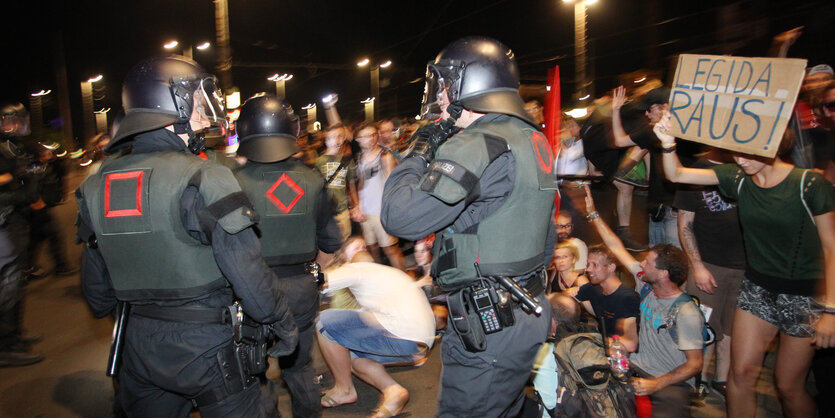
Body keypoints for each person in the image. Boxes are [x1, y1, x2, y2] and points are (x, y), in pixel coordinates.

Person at [75, 55, 298, 417]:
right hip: (207, 346)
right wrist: (281, 321)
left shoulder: (93, 186)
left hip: (137, 345)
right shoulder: (203, 176)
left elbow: (97, 295)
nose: (204, 110)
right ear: (172, 104)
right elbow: (246, 270)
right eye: (197, 99)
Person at [381, 36, 556, 417]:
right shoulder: (531, 138)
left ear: (469, 84)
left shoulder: (478, 142)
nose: (439, 96)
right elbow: (544, 233)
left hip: (489, 323)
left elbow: (400, 217)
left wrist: (418, 151)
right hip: (525, 311)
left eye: (444, 84)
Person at [655, 116, 835, 417]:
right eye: (736, 152)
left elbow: (832, 248)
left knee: (788, 386)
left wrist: (830, 309)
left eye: (749, 152)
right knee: (740, 375)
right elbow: (676, 173)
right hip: (757, 287)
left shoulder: (809, 184)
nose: (741, 159)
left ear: (773, 144)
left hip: (803, 294)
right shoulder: (736, 177)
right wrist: (667, 142)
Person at [232, 94, 342, 418]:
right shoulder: (313, 179)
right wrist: (311, 272)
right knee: (300, 367)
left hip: (252, 290)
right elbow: (332, 241)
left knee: (256, 373)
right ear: (291, 131)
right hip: (301, 289)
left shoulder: (231, 183)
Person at [584, 185, 704, 417]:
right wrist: (593, 215)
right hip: (635, 367)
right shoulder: (647, 285)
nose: (642, 265)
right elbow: (616, 247)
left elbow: (695, 364)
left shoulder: (686, 312)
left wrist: (657, 384)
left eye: (648, 263)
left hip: (669, 380)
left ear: (664, 274)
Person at [317, 237, 435, 418]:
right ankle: (393, 391)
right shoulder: (392, 274)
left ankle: (344, 390)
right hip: (420, 345)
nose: (361, 248)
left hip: (400, 333)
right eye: (355, 247)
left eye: (363, 246)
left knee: (323, 322)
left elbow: (319, 282)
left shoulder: (355, 268)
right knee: (351, 358)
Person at [673, 147, 745, 398]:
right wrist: (698, 266)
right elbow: (685, 225)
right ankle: (699, 378)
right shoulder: (695, 172)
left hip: (746, 268)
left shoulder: (748, 168)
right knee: (703, 328)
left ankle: (722, 379)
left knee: (730, 329)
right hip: (709, 265)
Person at [0, 101, 43, 367]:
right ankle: (6, 344)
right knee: (8, 283)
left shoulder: (11, 146)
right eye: (12, 120)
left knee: (16, 282)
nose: (17, 125)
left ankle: (13, 334)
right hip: (3, 221)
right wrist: (14, 180)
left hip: (13, 218)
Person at [349, 122, 405, 271]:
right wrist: (357, 206)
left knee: (390, 249)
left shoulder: (384, 155)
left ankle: (405, 280)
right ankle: (381, 276)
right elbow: (357, 185)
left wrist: (389, 210)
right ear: (358, 139)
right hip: (365, 212)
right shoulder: (358, 158)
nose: (371, 138)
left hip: (381, 211)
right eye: (366, 136)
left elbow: (390, 184)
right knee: (372, 247)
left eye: (373, 134)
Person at [574, 245, 639, 351]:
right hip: (603, 346)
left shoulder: (627, 298)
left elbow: (631, 344)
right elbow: (564, 304)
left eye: (594, 265)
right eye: (588, 264)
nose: (588, 269)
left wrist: (593, 341)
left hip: (621, 356)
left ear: (611, 267)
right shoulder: (592, 287)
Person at [315, 124, 353, 241]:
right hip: (326, 213)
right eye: (332, 137)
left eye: (339, 136)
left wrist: (355, 206)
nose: (336, 140)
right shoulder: (319, 161)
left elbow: (351, 184)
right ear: (326, 140)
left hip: (342, 211)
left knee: (345, 244)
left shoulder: (347, 160)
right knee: (329, 248)